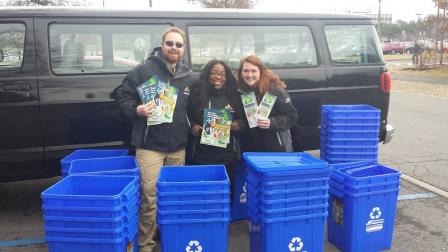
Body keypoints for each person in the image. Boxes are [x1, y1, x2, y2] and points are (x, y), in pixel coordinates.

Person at [113, 27, 194, 252]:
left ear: (183, 48)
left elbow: (196, 106)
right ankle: (146, 244)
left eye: (178, 45)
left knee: (172, 197)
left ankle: (170, 240)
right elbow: (121, 96)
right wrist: (136, 109)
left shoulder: (188, 74)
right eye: (170, 43)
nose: (174, 48)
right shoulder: (144, 69)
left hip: (178, 146)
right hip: (150, 146)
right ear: (162, 44)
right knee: (149, 198)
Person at [187, 59, 246, 197]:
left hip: (228, 152)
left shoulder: (235, 95)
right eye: (214, 73)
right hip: (202, 152)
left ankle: (226, 217)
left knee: (226, 189)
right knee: (204, 190)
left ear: (227, 77)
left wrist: (238, 125)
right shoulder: (196, 93)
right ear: (207, 75)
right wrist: (192, 126)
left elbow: (246, 121)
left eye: (222, 74)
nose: (218, 77)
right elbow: (185, 114)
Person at [237, 54, 298, 152]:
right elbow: (246, 121)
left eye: (253, 71)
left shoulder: (274, 91)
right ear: (241, 72)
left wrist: (272, 122)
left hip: (276, 148)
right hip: (252, 149)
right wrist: (238, 125)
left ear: (261, 71)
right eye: (246, 71)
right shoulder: (241, 92)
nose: (249, 75)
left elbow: (292, 116)